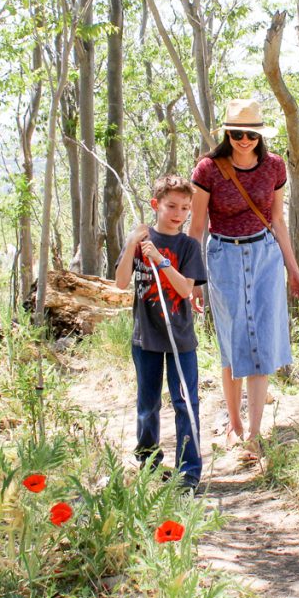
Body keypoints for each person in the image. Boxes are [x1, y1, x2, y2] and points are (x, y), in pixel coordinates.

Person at [189, 98, 299, 460]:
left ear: (260, 135)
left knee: (263, 342)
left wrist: (294, 269)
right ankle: (234, 424)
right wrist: (194, 279)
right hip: (223, 255)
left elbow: (278, 221)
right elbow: (197, 227)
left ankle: (255, 433)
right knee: (233, 340)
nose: (244, 140)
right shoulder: (208, 169)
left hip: (265, 257)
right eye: (237, 133)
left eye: (251, 134)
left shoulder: (274, 167)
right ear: (227, 133)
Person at [115, 175, 208, 491]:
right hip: (147, 338)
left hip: (180, 338)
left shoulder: (188, 246)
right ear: (156, 205)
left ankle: (189, 471)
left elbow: (185, 289)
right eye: (171, 206)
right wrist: (132, 246)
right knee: (148, 403)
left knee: (185, 402)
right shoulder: (141, 241)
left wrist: (161, 261)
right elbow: (121, 283)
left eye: (185, 208)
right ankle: (148, 462)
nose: (178, 214)